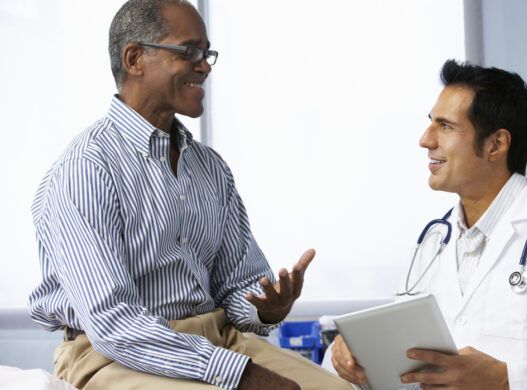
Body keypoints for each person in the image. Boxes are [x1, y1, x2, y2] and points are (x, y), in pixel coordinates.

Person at [27, 1, 353, 389]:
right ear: (135, 58)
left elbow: (237, 284)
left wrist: (267, 309)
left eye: (207, 54)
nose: (205, 66)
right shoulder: (86, 168)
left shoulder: (210, 168)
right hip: (115, 353)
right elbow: (113, 323)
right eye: (190, 52)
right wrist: (241, 373)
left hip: (217, 341)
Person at [328, 60, 527, 389]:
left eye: (445, 126)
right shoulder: (433, 243)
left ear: (495, 145)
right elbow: (408, 354)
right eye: (431, 123)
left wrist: (507, 380)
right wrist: (349, 352)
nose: (425, 140)